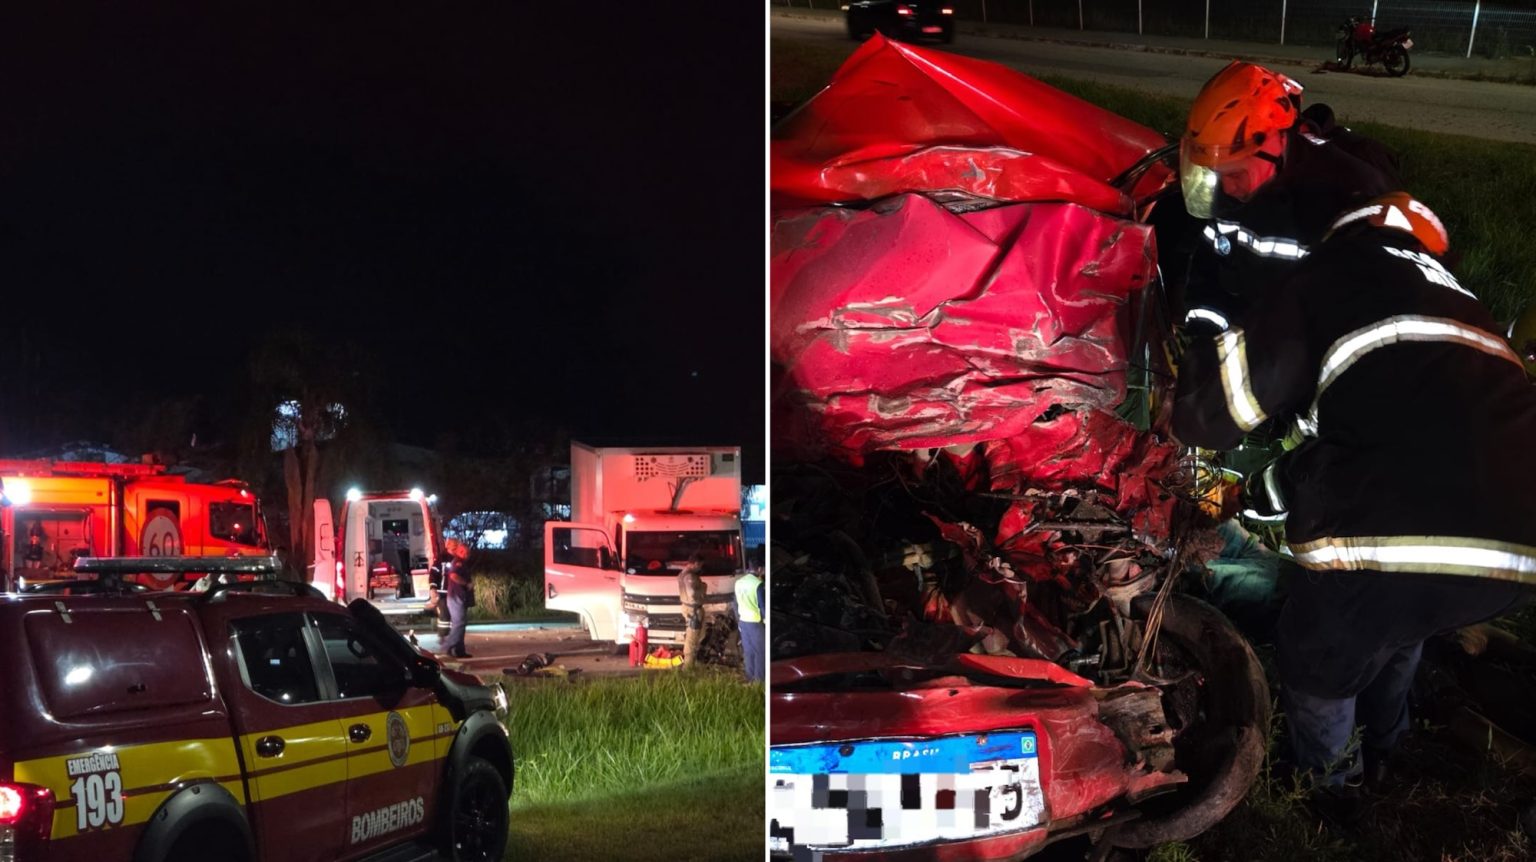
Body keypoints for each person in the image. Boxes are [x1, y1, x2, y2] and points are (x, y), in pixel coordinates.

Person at [1172, 190, 1536, 820]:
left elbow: (1216, 411)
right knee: (1400, 626)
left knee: (1317, 656)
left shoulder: (1340, 269)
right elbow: (1363, 440)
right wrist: (1260, 492)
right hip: (1516, 549)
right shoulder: (1461, 305)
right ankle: (1387, 744)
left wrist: (1185, 398)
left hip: (1399, 529)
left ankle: (1330, 792)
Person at [1168, 61, 1401, 333]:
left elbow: (1365, 320)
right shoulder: (1232, 192)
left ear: (1275, 143)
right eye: (1216, 174)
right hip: (1254, 347)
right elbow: (1208, 278)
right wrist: (1206, 340)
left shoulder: (1348, 198)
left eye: (1235, 174)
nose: (1227, 188)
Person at [440, 538, 474, 659]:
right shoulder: (458, 562)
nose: (466, 555)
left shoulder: (461, 563)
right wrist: (466, 583)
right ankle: (447, 647)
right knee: (459, 623)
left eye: (467, 553)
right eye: (463, 552)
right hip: (456, 597)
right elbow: (453, 575)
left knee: (461, 624)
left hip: (459, 597)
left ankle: (459, 650)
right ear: (458, 551)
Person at [735, 564, 765, 683]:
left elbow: (735, 602)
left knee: (749, 651)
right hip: (755, 622)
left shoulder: (739, 582)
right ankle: (759, 681)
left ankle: (749, 677)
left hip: (743, 621)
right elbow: (762, 606)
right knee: (761, 651)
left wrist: (738, 620)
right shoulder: (758, 584)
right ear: (759, 569)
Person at [678, 553, 708, 669]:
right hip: (693, 610)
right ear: (696, 563)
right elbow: (692, 593)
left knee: (699, 635)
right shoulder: (690, 577)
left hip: (689, 608)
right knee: (692, 638)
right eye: (700, 565)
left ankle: (695, 662)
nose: (700, 568)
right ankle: (688, 667)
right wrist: (702, 588)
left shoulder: (682, 574)